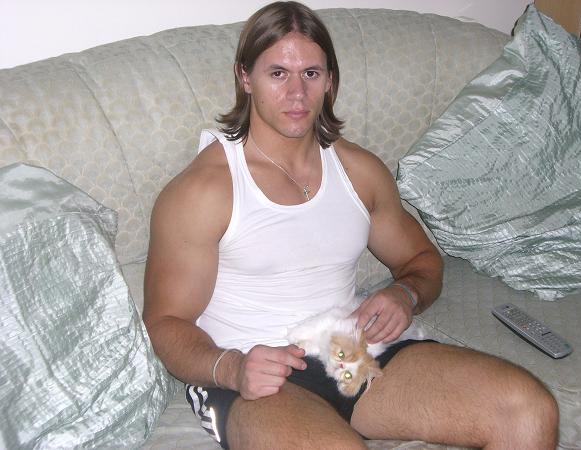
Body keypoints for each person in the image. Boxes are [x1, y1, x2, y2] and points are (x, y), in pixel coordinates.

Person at [143, 2, 559, 449]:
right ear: (245, 78)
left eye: (311, 73)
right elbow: (165, 322)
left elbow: (422, 261)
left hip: (353, 352)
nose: (297, 93)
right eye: (278, 73)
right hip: (255, 377)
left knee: (527, 411)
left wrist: (405, 294)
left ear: (330, 80)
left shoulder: (359, 172)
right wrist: (230, 368)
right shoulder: (204, 191)